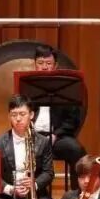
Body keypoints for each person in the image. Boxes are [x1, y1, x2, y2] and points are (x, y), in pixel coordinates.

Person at [33, 44, 87, 185]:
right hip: (33, 136)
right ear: (35, 64)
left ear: (55, 65)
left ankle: (77, 192)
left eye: (48, 63)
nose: (44, 67)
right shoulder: (26, 84)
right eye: (40, 63)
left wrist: (56, 135)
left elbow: (73, 119)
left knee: (76, 149)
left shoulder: (66, 86)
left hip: (57, 138)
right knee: (8, 147)